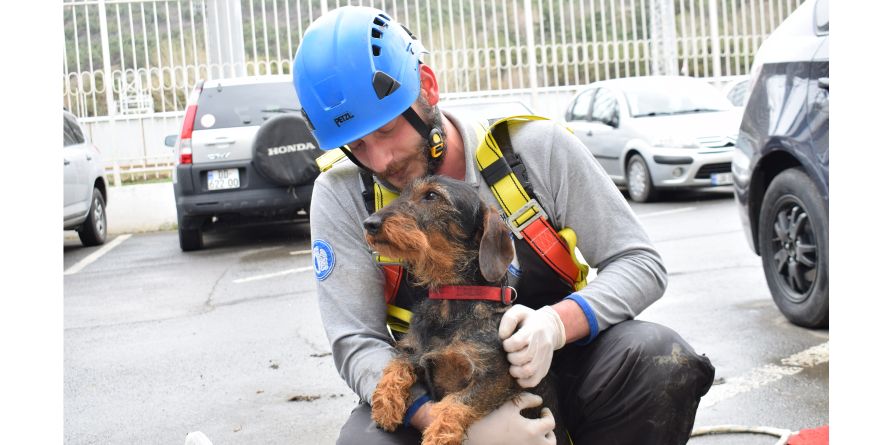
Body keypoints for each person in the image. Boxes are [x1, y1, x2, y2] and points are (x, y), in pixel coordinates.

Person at [293, 6, 715, 445]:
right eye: (356, 144)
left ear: (428, 89)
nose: (380, 161)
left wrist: (555, 325)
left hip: (561, 367)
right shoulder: (340, 193)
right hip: (436, 380)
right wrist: (438, 418)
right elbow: (356, 339)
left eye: (387, 130)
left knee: (660, 357)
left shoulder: (535, 150)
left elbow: (640, 262)